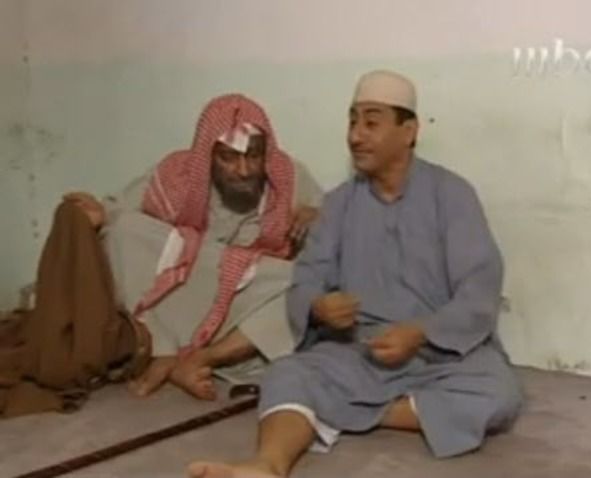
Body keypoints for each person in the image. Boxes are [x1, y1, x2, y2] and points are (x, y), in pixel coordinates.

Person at [187, 71, 522, 478]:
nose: (356, 136)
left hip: (442, 353)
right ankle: (266, 466)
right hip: (360, 352)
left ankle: (350, 409)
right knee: (288, 374)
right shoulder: (338, 205)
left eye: (371, 122)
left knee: (499, 393)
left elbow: (479, 291)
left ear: (409, 131)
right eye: (352, 121)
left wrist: (419, 332)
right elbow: (307, 280)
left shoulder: (453, 195)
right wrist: (318, 307)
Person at [65, 93, 324, 400]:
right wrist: (100, 214)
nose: (243, 170)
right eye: (229, 158)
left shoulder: (289, 177)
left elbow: (336, 233)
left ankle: (201, 359)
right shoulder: (177, 174)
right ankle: (161, 349)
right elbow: (118, 210)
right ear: (208, 155)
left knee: (307, 285)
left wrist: (317, 217)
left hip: (246, 296)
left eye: (253, 156)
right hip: (188, 286)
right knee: (123, 230)